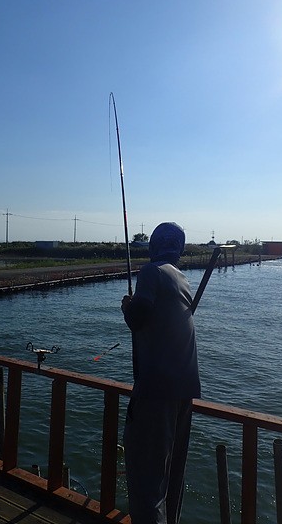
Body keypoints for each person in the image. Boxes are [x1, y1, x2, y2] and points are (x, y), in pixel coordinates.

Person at [121, 222, 200, 524]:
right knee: (172, 476)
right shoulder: (181, 278)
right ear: (179, 249)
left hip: (155, 389)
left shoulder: (151, 272)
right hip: (184, 389)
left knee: (147, 477)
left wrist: (126, 307)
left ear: (154, 245)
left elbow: (138, 316)